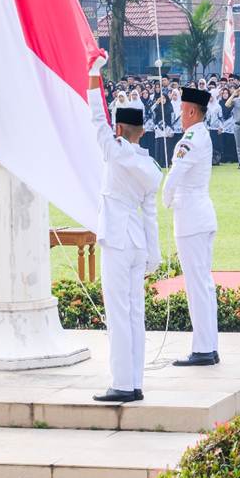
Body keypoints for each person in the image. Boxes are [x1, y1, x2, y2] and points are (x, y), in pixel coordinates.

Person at [87, 52, 162, 403]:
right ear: (143, 132)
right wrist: (154, 255)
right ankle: (135, 380)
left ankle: (121, 383)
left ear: (119, 129)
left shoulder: (115, 153)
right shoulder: (150, 167)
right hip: (136, 242)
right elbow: (151, 213)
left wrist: (94, 75)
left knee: (119, 313)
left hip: (117, 239)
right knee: (135, 313)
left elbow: (95, 118)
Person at [163, 86, 219, 367]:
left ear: (191, 111)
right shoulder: (202, 135)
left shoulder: (191, 138)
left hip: (191, 218)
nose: (180, 116)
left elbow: (175, 174)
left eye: (182, 111)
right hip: (201, 215)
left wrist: (165, 198)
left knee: (197, 286)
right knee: (204, 285)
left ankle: (202, 349)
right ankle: (210, 344)